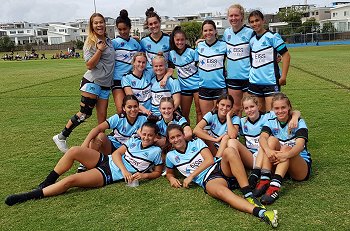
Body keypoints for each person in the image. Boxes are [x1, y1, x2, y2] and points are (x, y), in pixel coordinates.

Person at [5, 119, 163, 206]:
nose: (146, 137)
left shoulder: (156, 152)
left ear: (156, 137)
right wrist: (125, 171)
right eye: (144, 134)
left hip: (109, 174)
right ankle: (46, 182)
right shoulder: (134, 141)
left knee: (70, 181)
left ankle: (28, 196)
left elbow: (157, 172)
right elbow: (115, 154)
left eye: (150, 135)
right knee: (73, 150)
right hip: (108, 161)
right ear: (140, 133)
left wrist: (143, 176)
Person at [165, 124, 278, 228]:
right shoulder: (170, 156)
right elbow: (169, 172)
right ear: (169, 140)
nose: (176, 139)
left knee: (229, 151)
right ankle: (262, 213)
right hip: (209, 179)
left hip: (218, 166)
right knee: (221, 192)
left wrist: (191, 176)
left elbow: (209, 160)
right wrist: (171, 178)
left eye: (178, 136)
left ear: (184, 135)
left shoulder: (195, 142)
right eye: (172, 138)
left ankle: (248, 194)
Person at [53, 13, 115, 153]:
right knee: (85, 113)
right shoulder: (90, 42)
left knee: (102, 121)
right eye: (96, 23)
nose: (99, 25)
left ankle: (99, 151)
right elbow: (89, 65)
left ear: (105, 24)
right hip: (93, 81)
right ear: (91, 26)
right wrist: (99, 50)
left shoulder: (109, 40)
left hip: (105, 84)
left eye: (101, 22)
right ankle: (62, 136)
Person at [227, 95, 300, 186]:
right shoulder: (242, 121)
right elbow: (232, 135)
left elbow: (291, 112)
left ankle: (259, 175)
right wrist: (228, 117)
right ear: (243, 110)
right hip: (252, 158)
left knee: (268, 140)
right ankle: (238, 175)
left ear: (258, 106)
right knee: (231, 142)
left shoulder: (268, 116)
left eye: (252, 106)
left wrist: (295, 117)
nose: (250, 110)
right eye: (246, 108)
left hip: (268, 156)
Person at [253, 93, 311, 205]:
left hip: (299, 168)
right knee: (271, 140)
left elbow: (299, 146)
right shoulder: (271, 121)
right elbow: (262, 138)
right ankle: (265, 179)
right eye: (277, 108)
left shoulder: (299, 122)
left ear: (289, 107)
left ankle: (274, 187)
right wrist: (269, 151)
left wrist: (285, 155)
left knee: (286, 148)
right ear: (273, 109)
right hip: (280, 163)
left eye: (283, 107)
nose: (280, 111)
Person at [80, 95, 147, 166]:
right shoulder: (118, 118)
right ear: (124, 108)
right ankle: (87, 163)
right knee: (99, 136)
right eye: (129, 107)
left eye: (135, 106)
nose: (133, 109)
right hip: (112, 147)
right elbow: (98, 128)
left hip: (130, 150)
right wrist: (85, 144)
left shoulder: (144, 119)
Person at [247, 10, 291, 112]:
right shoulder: (252, 39)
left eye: (257, 20)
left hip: (270, 81)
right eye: (252, 22)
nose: (255, 24)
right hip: (254, 81)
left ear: (263, 21)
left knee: (272, 114)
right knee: (257, 115)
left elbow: (286, 55)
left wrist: (283, 76)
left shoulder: (272, 36)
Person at [224, 4, 254, 116]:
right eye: (231, 15)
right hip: (232, 77)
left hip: (248, 77)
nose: (233, 18)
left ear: (242, 16)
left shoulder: (250, 32)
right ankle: (237, 133)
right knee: (236, 108)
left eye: (236, 15)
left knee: (249, 108)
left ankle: (250, 132)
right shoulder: (227, 33)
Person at [169, 26, 202, 125]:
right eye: (177, 40)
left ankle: (198, 134)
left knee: (199, 111)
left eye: (182, 39)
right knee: (184, 113)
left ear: (185, 40)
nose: (180, 42)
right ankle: (187, 134)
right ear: (173, 40)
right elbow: (170, 69)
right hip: (184, 87)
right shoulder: (171, 54)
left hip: (197, 85)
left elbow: (200, 66)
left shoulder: (192, 52)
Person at [112, 9, 142, 114]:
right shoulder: (114, 43)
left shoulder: (136, 44)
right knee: (121, 110)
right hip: (117, 79)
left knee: (134, 110)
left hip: (131, 80)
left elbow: (142, 59)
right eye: (120, 29)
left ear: (129, 28)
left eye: (125, 29)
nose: (123, 32)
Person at [196, 20, 227, 116]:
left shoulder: (224, 45)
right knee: (207, 118)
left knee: (221, 116)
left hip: (220, 87)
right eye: (205, 31)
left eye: (210, 30)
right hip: (204, 86)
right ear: (202, 32)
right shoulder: (199, 46)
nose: (208, 33)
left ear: (215, 31)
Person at [140, 7, 174, 86]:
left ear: (160, 22)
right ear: (148, 26)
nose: (153, 26)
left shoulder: (169, 39)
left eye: (155, 23)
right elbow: (141, 59)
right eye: (150, 24)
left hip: (165, 77)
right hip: (149, 77)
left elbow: (172, 62)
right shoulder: (144, 41)